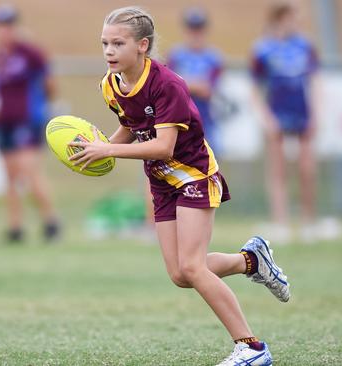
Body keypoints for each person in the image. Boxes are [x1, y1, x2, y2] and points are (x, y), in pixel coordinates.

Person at [70, 7, 289, 365]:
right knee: (180, 274)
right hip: (161, 181)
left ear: (142, 45)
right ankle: (252, 260)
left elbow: (163, 146)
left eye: (118, 43)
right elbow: (131, 123)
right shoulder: (111, 85)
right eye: (105, 43)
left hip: (194, 175)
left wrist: (108, 149)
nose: (109, 51)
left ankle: (252, 348)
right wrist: (100, 153)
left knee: (191, 267)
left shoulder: (167, 84)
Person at [0, 4, 60, 243]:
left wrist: (41, 107)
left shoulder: (30, 52)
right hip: (4, 123)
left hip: (28, 120)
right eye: (0, 26)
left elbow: (50, 84)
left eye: (8, 26)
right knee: (9, 176)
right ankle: (15, 226)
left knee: (30, 172)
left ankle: (51, 221)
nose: (4, 31)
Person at [251, 2, 319, 242]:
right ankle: (281, 222)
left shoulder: (305, 45)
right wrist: (267, 119)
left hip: (301, 112)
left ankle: (308, 221)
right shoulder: (263, 49)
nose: (296, 22)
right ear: (280, 18)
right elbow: (255, 88)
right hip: (277, 113)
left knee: (306, 169)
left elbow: (315, 81)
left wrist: (316, 114)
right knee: (278, 170)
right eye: (292, 17)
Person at [167, 7, 224, 153]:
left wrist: (183, 82)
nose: (195, 33)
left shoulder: (214, 58)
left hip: (205, 121)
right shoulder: (176, 55)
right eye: (191, 28)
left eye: (198, 28)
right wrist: (194, 84)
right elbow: (170, 87)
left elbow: (208, 90)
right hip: (179, 119)